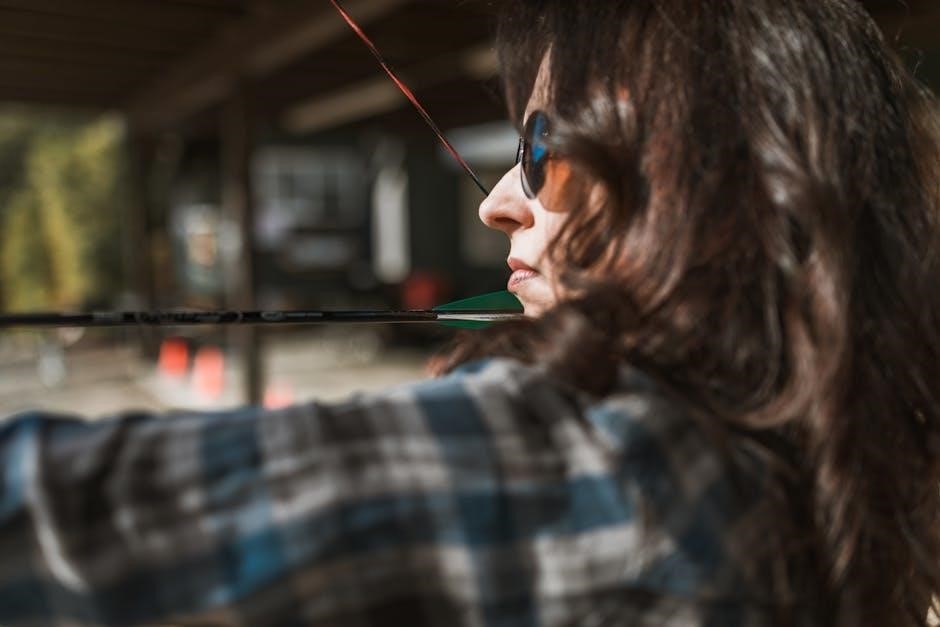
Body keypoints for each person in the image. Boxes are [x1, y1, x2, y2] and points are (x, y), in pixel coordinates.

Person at [2, 0, 939, 625]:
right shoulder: (825, 471)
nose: (497, 201)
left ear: (704, 178)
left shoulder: (623, 471)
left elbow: (52, 521)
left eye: (543, 147)